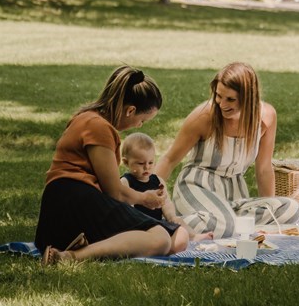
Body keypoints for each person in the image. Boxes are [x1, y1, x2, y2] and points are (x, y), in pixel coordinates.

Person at [34, 65, 191, 265]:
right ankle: (70, 257)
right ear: (130, 110)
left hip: (61, 202)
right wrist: (145, 198)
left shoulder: (86, 118)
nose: (139, 126)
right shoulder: (98, 127)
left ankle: (78, 248)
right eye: (142, 120)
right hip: (74, 199)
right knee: (160, 238)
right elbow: (114, 192)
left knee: (171, 238)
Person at [155, 62, 299, 238]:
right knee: (224, 224)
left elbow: (263, 168)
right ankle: (170, 224)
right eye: (218, 96)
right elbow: (169, 160)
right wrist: (152, 197)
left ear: (248, 97)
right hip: (197, 186)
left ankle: (226, 225)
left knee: (291, 209)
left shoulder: (266, 116)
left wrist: (268, 207)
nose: (222, 104)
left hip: (234, 196)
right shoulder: (204, 116)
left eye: (230, 99)